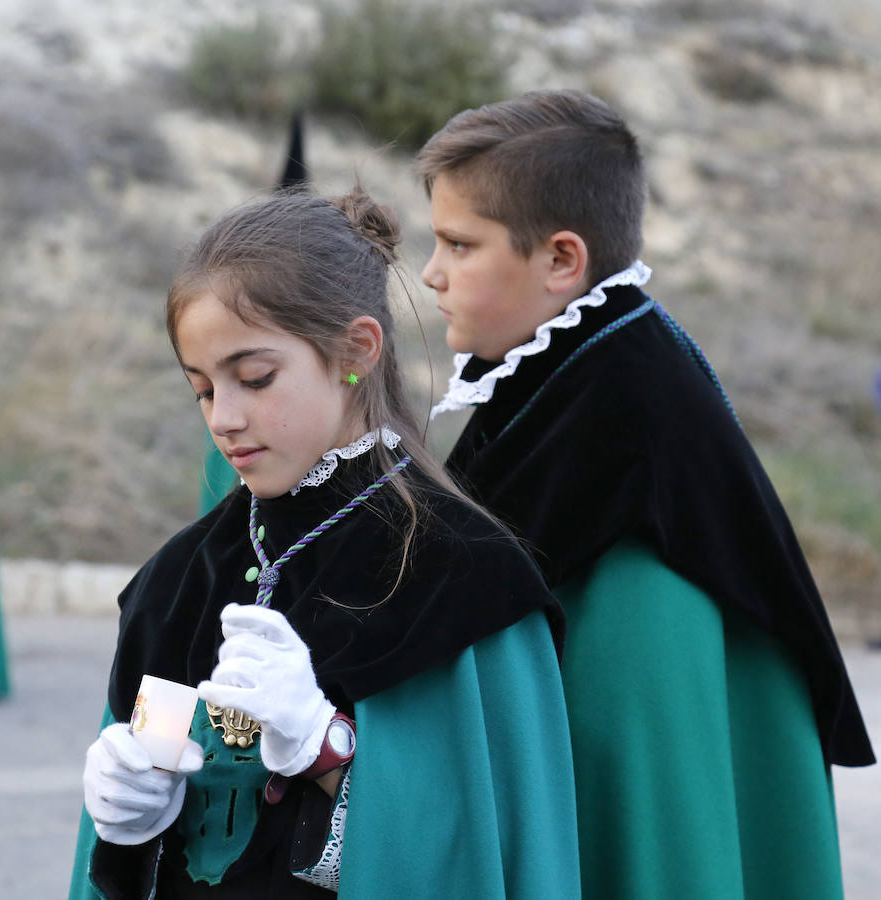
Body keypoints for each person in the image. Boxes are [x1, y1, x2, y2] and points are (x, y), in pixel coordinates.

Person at [418, 89, 875, 899]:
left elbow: (643, 775)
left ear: (562, 261)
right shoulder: (572, 365)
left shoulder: (623, 418)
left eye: (459, 244)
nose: (431, 273)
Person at [69, 188, 580, 899]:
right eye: (203, 390)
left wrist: (326, 748)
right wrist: (133, 823)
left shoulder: (462, 573)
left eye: (254, 378)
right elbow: (159, 779)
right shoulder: (179, 577)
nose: (225, 417)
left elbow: (475, 850)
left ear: (355, 351)